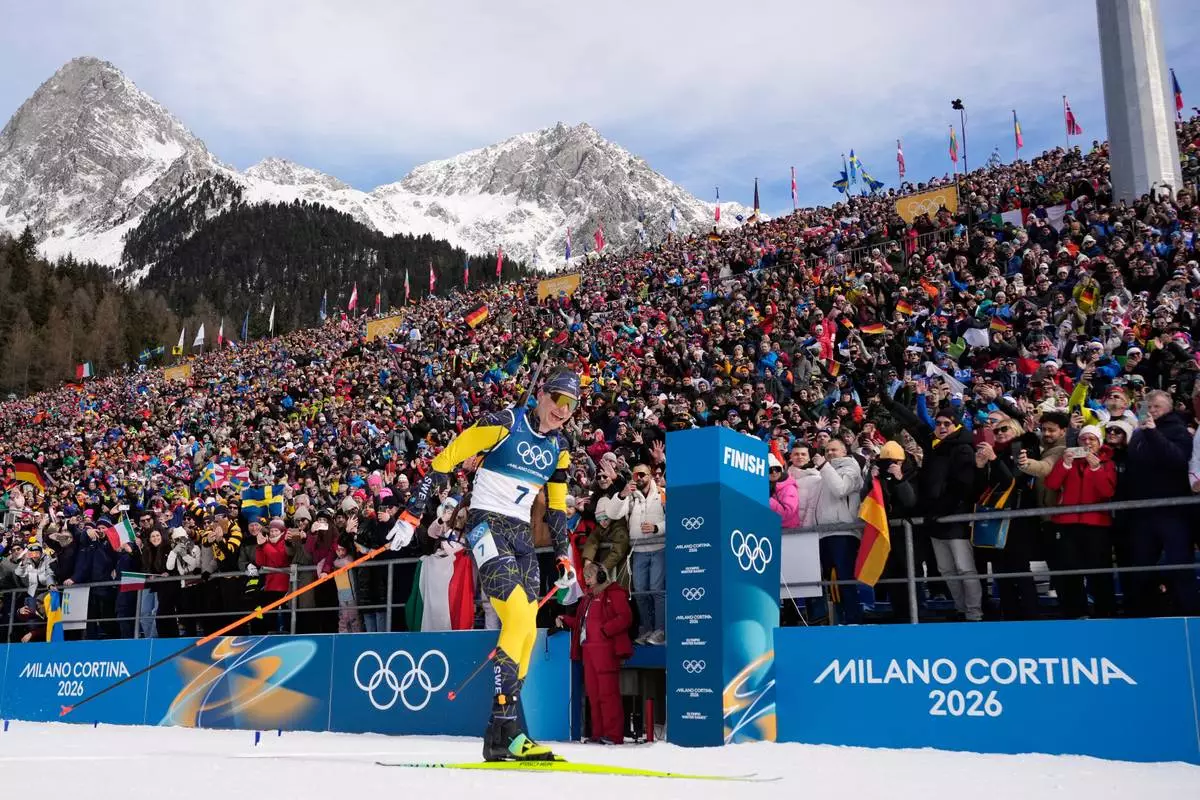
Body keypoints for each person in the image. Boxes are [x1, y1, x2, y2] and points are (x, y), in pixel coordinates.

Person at [389, 366, 580, 762]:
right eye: (559, 399)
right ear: (542, 393)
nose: (563, 411)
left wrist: (563, 553)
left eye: (572, 405)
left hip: (522, 537)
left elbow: (557, 507)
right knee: (518, 620)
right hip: (485, 526)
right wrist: (411, 515)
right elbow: (444, 460)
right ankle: (508, 731)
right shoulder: (505, 422)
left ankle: (500, 733)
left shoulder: (559, 447)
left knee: (527, 630)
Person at [557, 561, 633, 745]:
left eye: (590, 576)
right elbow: (580, 623)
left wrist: (605, 630)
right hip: (588, 652)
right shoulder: (587, 598)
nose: (587, 580)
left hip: (605, 651)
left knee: (608, 695)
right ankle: (598, 733)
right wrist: (565, 619)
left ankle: (613, 735)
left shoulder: (614, 593)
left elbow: (626, 617)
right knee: (593, 694)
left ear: (600, 575)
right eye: (586, 577)